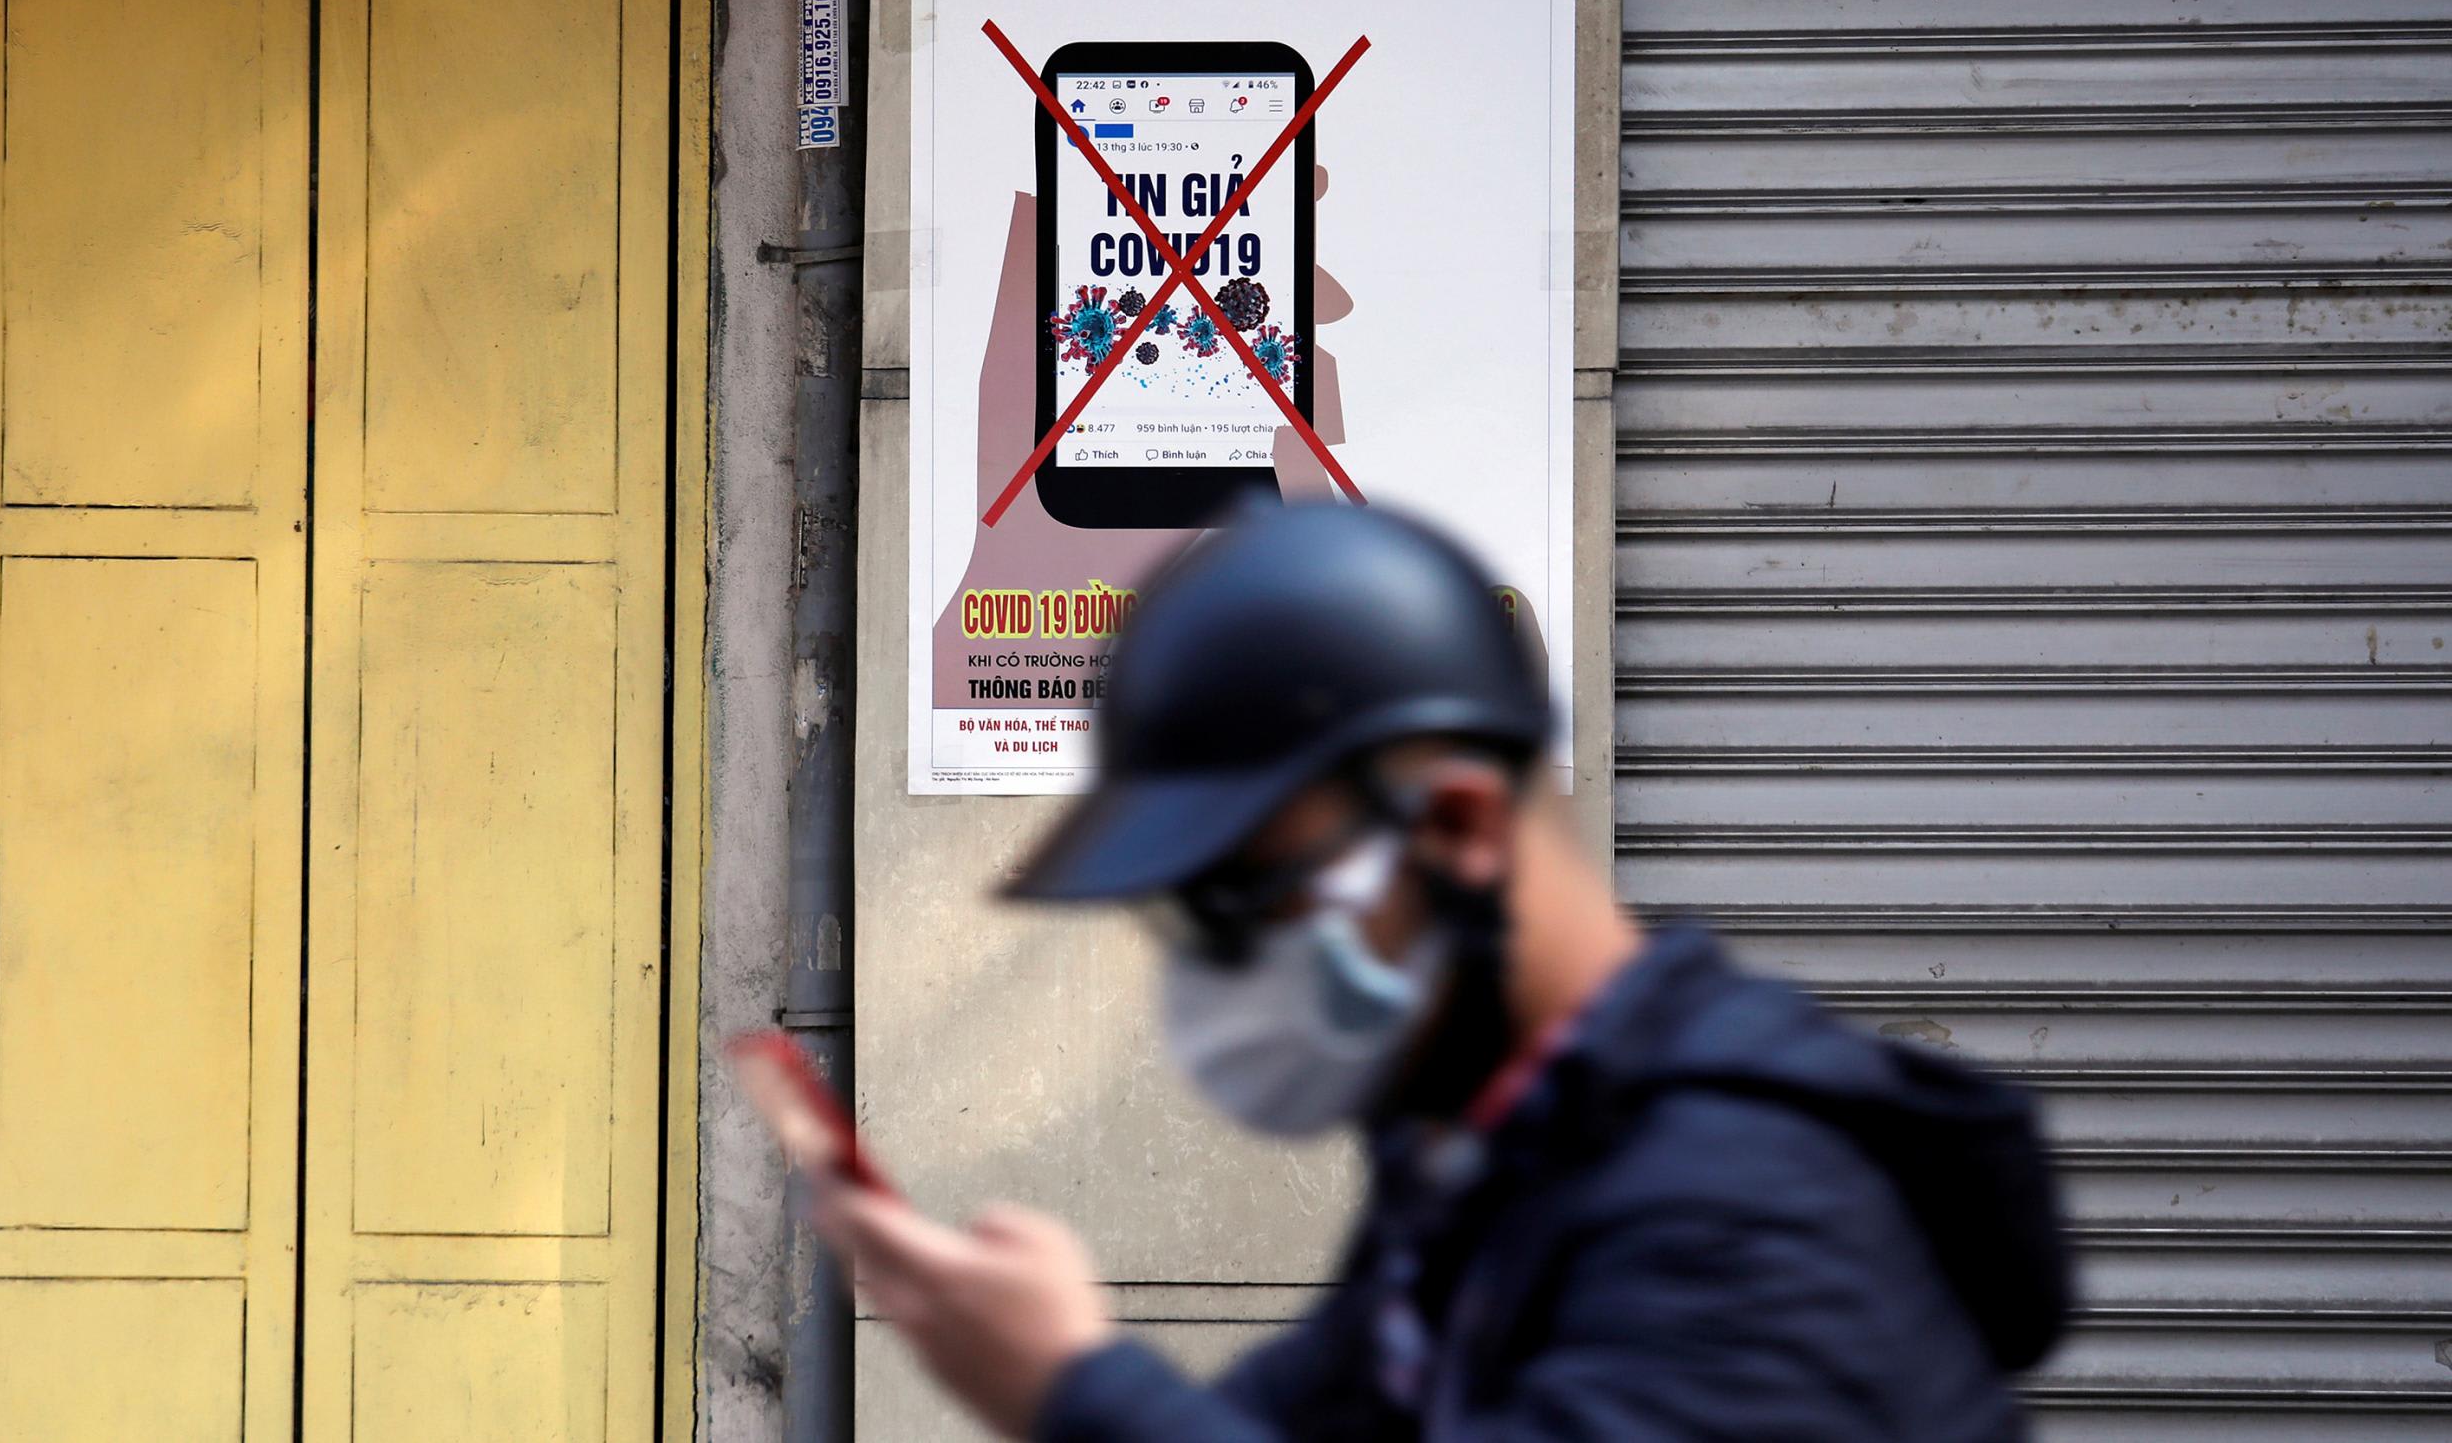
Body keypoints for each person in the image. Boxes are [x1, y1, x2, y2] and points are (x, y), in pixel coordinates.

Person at [812, 503, 2071, 1440]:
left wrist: (1072, 1386)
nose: (1219, 967)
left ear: (1459, 829)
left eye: (1248, 895)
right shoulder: (1485, 1148)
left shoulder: (1740, 1208)